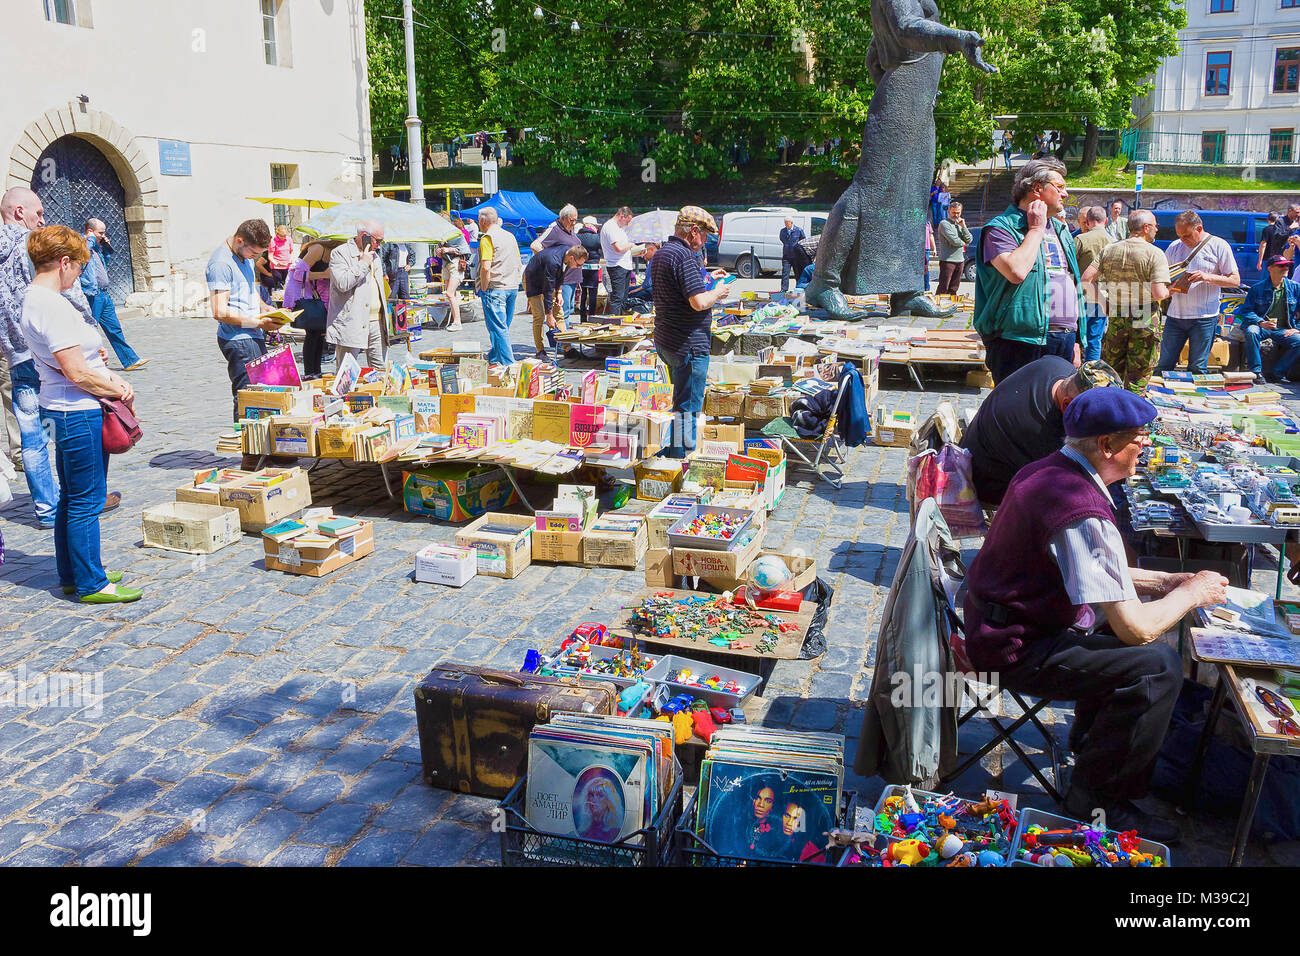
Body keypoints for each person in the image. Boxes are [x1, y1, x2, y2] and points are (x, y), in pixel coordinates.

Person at [964, 388, 1229, 843]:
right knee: (1157, 667)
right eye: (1139, 438)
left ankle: (1094, 749)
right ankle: (1100, 802)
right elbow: (1137, 628)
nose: (1147, 445)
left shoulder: (1051, 469)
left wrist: (1166, 582)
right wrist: (1191, 594)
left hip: (1002, 621)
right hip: (1013, 647)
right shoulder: (1081, 508)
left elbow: (1097, 569)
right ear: (1107, 446)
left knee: (1122, 634)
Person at [20, 225, 141, 603]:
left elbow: (69, 359)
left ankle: (74, 571)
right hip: (76, 410)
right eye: (78, 267)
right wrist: (117, 387)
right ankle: (92, 582)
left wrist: (94, 358)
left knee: (72, 495)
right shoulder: (52, 304)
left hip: (59, 408)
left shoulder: (35, 298)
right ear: (64, 262)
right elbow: (76, 372)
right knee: (87, 499)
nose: (79, 275)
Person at [1, 186, 106, 528]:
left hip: (14, 352)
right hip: (49, 352)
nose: (42, 220)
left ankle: (47, 509)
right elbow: (70, 295)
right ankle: (78, 500)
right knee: (66, 427)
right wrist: (90, 335)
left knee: (31, 436)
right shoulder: (36, 248)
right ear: (19, 212)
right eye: (39, 213)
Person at [973, 158, 1086, 385]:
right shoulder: (1001, 228)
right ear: (1037, 188)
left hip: (1062, 339)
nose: (1065, 194)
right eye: (1060, 187)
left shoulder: (1062, 230)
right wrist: (1035, 228)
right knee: (1017, 413)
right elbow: (1016, 271)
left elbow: (1071, 282)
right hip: (1018, 341)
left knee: (1054, 414)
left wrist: (1075, 339)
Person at [959, 358, 1115, 507]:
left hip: (981, 445)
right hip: (984, 483)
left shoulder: (1058, 365)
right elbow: (1068, 485)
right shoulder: (1043, 434)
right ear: (1067, 405)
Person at [651, 206, 730, 458]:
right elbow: (698, 302)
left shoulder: (663, 253)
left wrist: (706, 276)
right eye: (704, 235)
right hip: (688, 343)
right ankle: (681, 459)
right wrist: (717, 292)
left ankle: (675, 450)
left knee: (680, 400)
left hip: (667, 339)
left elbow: (680, 287)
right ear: (693, 231)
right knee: (689, 407)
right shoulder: (685, 256)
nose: (705, 241)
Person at [1081, 210, 1170, 393]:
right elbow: (1159, 293)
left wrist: (1104, 303)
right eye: (1155, 226)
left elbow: (1086, 279)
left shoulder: (1110, 249)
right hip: (1144, 317)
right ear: (1146, 228)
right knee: (1138, 377)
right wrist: (1174, 289)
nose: (1156, 230)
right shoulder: (1155, 253)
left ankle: (1111, 414)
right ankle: (1131, 417)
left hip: (1117, 314)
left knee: (1112, 373)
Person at [206, 219, 280, 421]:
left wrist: (264, 307)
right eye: (254, 253)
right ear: (240, 240)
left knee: (263, 394)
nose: (255, 258)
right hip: (239, 339)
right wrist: (259, 323)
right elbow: (219, 311)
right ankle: (247, 449)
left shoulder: (245, 256)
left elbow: (247, 288)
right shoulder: (221, 263)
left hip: (252, 333)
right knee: (249, 398)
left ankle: (262, 449)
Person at [1157, 211, 1239, 375]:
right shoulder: (1174, 246)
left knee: (1197, 368)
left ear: (1199, 228)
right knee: (1163, 366)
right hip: (1175, 316)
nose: (1182, 240)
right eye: (1179, 235)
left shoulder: (1219, 245)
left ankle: (1192, 399)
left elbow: (1235, 280)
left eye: (1186, 235)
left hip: (1204, 318)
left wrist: (1207, 277)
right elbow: (1163, 276)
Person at [80, 219, 147, 371]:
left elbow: (103, 263)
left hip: (104, 295)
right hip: (93, 294)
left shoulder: (95, 247)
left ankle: (130, 360)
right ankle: (85, 363)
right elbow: (83, 256)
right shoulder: (81, 243)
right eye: (100, 233)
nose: (103, 236)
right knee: (90, 329)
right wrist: (91, 240)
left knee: (114, 328)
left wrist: (104, 247)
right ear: (90, 231)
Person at [327, 219, 388, 370]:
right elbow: (343, 283)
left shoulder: (376, 256)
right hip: (351, 321)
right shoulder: (340, 253)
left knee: (380, 368)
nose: (379, 244)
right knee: (347, 370)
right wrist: (363, 263)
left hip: (376, 321)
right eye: (378, 240)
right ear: (364, 235)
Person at [1237, 255, 1300, 382]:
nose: (1285, 268)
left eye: (1287, 265)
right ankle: (1256, 371)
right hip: (1262, 326)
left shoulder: (1295, 288)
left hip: (1284, 329)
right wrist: (1260, 322)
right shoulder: (1257, 288)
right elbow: (1246, 311)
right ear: (1270, 268)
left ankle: (1277, 373)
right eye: (1281, 265)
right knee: (1251, 331)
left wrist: (1297, 329)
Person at [282, 239, 336, 378]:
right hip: (304, 295)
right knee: (312, 334)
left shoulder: (331, 253)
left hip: (315, 294)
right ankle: (309, 372)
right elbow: (298, 274)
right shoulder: (318, 248)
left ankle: (316, 371)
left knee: (318, 334)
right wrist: (325, 274)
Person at [475, 207, 522, 366]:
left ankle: (510, 365)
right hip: (512, 287)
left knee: (498, 329)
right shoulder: (510, 236)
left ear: (482, 221)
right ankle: (494, 357)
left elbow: (486, 267)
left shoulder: (487, 238)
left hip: (495, 289)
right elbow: (518, 262)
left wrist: (483, 287)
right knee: (502, 328)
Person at [524, 244, 588, 359]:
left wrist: (559, 293)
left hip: (548, 279)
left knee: (559, 314)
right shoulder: (553, 261)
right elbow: (548, 290)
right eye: (578, 265)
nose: (578, 268)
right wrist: (549, 315)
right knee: (539, 316)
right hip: (532, 280)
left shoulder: (567, 254)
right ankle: (540, 350)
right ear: (572, 258)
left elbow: (560, 275)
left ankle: (567, 347)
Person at [1072, 205, 1113, 362]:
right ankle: (1092, 375)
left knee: (1074, 338)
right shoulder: (1114, 242)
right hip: (1104, 298)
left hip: (1081, 296)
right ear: (1106, 221)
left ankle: (1071, 378)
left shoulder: (1080, 240)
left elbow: (1068, 266)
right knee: (1094, 339)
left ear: (1087, 222)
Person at [531, 204, 582, 319]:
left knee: (569, 310)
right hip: (563, 278)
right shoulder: (554, 229)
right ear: (563, 218)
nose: (574, 223)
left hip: (573, 276)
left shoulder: (570, 230)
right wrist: (551, 261)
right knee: (563, 313)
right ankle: (561, 336)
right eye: (571, 220)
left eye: (575, 220)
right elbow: (535, 245)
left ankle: (563, 334)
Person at [600, 207, 635, 316]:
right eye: (627, 221)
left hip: (624, 265)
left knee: (623, 298)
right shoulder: (610, 227)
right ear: (621, 216)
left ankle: (620, 320)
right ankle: (615, 324)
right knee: (617, 298)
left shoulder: (619, 228)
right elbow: (618, 248)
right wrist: (631, 245)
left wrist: (638, 251)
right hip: (616, 266)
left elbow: (622, 249)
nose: (627, 224)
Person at [434, 230, 471, 331]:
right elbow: (438, 254)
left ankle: (457, 322)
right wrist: (439, 251)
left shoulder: (456, 235)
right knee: (452, 295)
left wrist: (448, 249)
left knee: (449, 293)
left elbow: (464, 250)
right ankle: (455, 320)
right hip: (446, 265)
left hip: (456, 264)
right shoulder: (441, 236)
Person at [935, 202, 972, 297]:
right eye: (954, 212)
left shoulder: (960, 224)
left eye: (958, 213)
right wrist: (964, 243)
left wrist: (964, 226)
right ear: (948, 211)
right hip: (947, 260)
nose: (956, 215)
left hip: (960, 260)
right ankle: (939, 307)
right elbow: (954, 241)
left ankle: (950, 306)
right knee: (944, 287)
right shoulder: (944, 224)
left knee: (954, 288)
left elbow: (970, 239)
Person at [577, 216, 603, 321]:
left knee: (583, 292)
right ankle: (591, 316)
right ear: (592, 226)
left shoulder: (577, 236)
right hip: (593, 268)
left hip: (581, 268)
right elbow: (602, 251)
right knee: (592, 293)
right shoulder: (596, 237)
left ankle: (582, 317)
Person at [625, 241, 658, 312]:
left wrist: (636, 290)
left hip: (653, 290)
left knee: (627, 292)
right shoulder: (656, 258)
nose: (644, 258)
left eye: (645, 253)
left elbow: (648, 283)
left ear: (651, 249)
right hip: (654, 288)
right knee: (628, 290)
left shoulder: (654, 260)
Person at [779, 217, 805, 293]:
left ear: (791, 223)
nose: (786, 225)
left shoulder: (799, 230)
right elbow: (782, 239)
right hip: (786, 255)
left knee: (797, 273)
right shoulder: (783, 231)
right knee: (785, 273)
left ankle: (799, 288)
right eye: (785, 223)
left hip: (796, 256)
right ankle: (784, 289)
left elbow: (803, 240)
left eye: (787, 223)